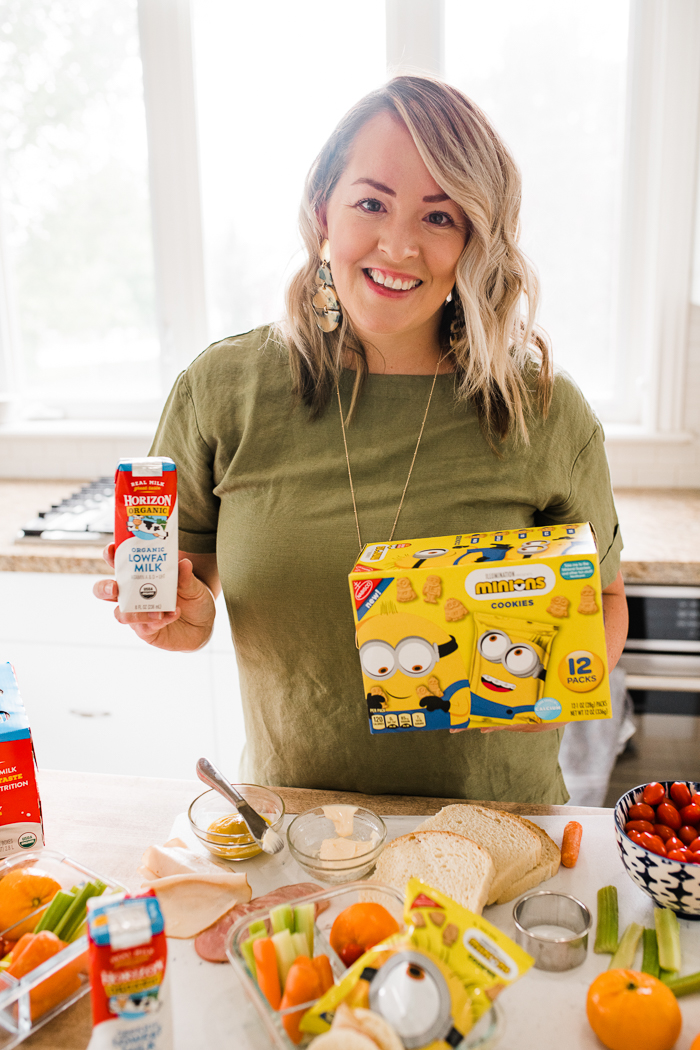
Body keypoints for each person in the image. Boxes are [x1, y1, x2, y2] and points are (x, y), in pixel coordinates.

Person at [94, 75, 627, 804]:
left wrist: (554, 689)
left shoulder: (541, 408)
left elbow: (605, 597)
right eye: (371, 203)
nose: (399, 243)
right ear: (323, 212)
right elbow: (184, 592)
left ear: (477, 236)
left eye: (440, 217)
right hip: (292, 832)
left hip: (496, 835)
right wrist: (173, 618)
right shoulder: (225, 390)